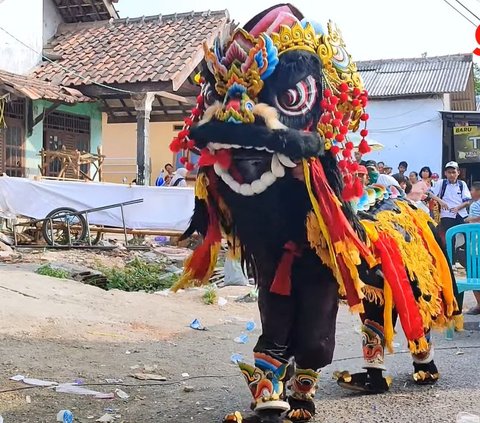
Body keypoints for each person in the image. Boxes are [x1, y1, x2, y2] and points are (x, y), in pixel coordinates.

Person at [464, 182, 480, 315]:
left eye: (473, 190)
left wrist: (470, 219)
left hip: (477, 240)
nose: (471, 192)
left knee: (475, 272)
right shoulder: (473, 203)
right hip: (473, 241)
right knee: (473, 272)